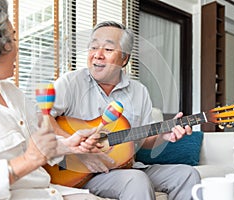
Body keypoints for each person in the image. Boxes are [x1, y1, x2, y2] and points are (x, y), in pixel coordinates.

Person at [0, 0, 111, 199]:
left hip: (48, 191)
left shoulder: (12, 93)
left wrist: (69, 144)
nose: (18, 48)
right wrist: (29, 160)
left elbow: (37, 145)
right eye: (13, 38)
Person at [49, 21, 201, 200]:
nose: (97, 55)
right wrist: (77, 149)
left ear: (125, 58)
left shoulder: (139, 91)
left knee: (187, 175)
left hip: (124, 166)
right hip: (81, 171)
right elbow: (41, 119)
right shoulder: (70, 82)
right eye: (93, 47)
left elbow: (144, 139)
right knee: (136, 180)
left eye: (107, 49)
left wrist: (164, 135)